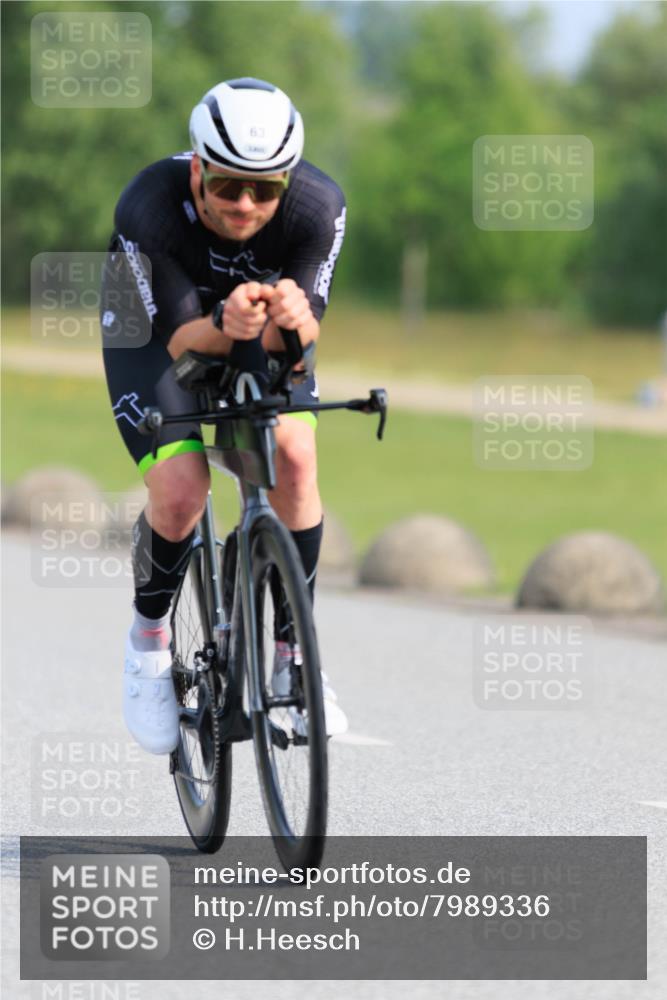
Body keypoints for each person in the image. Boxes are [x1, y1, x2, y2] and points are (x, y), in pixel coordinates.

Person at [101, 77, 348, 754]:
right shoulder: (149, 205)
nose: (245, 204)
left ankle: (293, 657)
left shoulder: (318, 208)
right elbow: (183, 342)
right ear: (197, 168)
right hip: (152, 329)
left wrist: (292, 328)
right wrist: (229, 321)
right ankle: (147, 643)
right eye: (227, 186)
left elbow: (299, 343)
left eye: (265, 190)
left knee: (293, 459)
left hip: (247, 329)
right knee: (181, 489)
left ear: (287, 183)